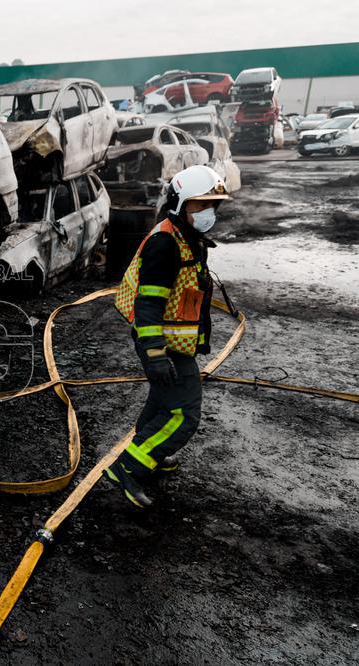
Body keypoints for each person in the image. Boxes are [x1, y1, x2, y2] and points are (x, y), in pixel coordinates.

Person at [105, 165, 231, 508]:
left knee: (163, 403)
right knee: (183, 415)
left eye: (213, 205)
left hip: (174, 343)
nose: (207, 213)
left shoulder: (188, 237)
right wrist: (155, 354)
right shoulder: (166, 243)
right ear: (179, 204)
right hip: (161, 343)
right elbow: (148, 305)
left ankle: (151, 457)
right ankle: (128, 467)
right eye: (199, 205)